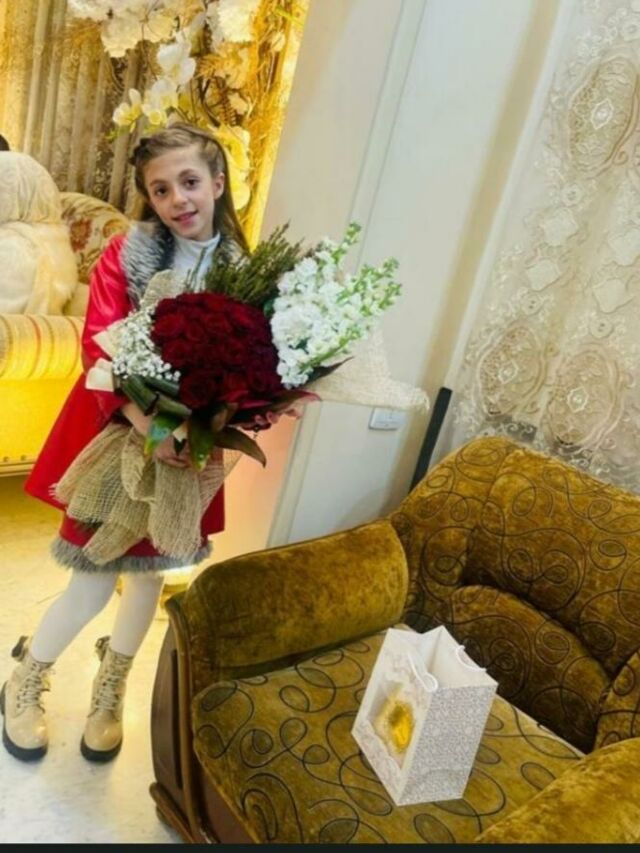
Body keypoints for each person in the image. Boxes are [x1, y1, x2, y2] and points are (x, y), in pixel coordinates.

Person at [1, 123, 250, 763]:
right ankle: (25, 679)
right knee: (90, 578)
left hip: (190, 448)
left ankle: (110, 691)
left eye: (189, 182)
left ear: (217, 182)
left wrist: (226, 416)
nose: (178, 199)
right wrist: (150, 428)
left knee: (146, 581)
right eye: (160, 189)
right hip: (116, 432)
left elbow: (255, 366)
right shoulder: (127, 254)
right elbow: (99, 348)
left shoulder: (243, 271)